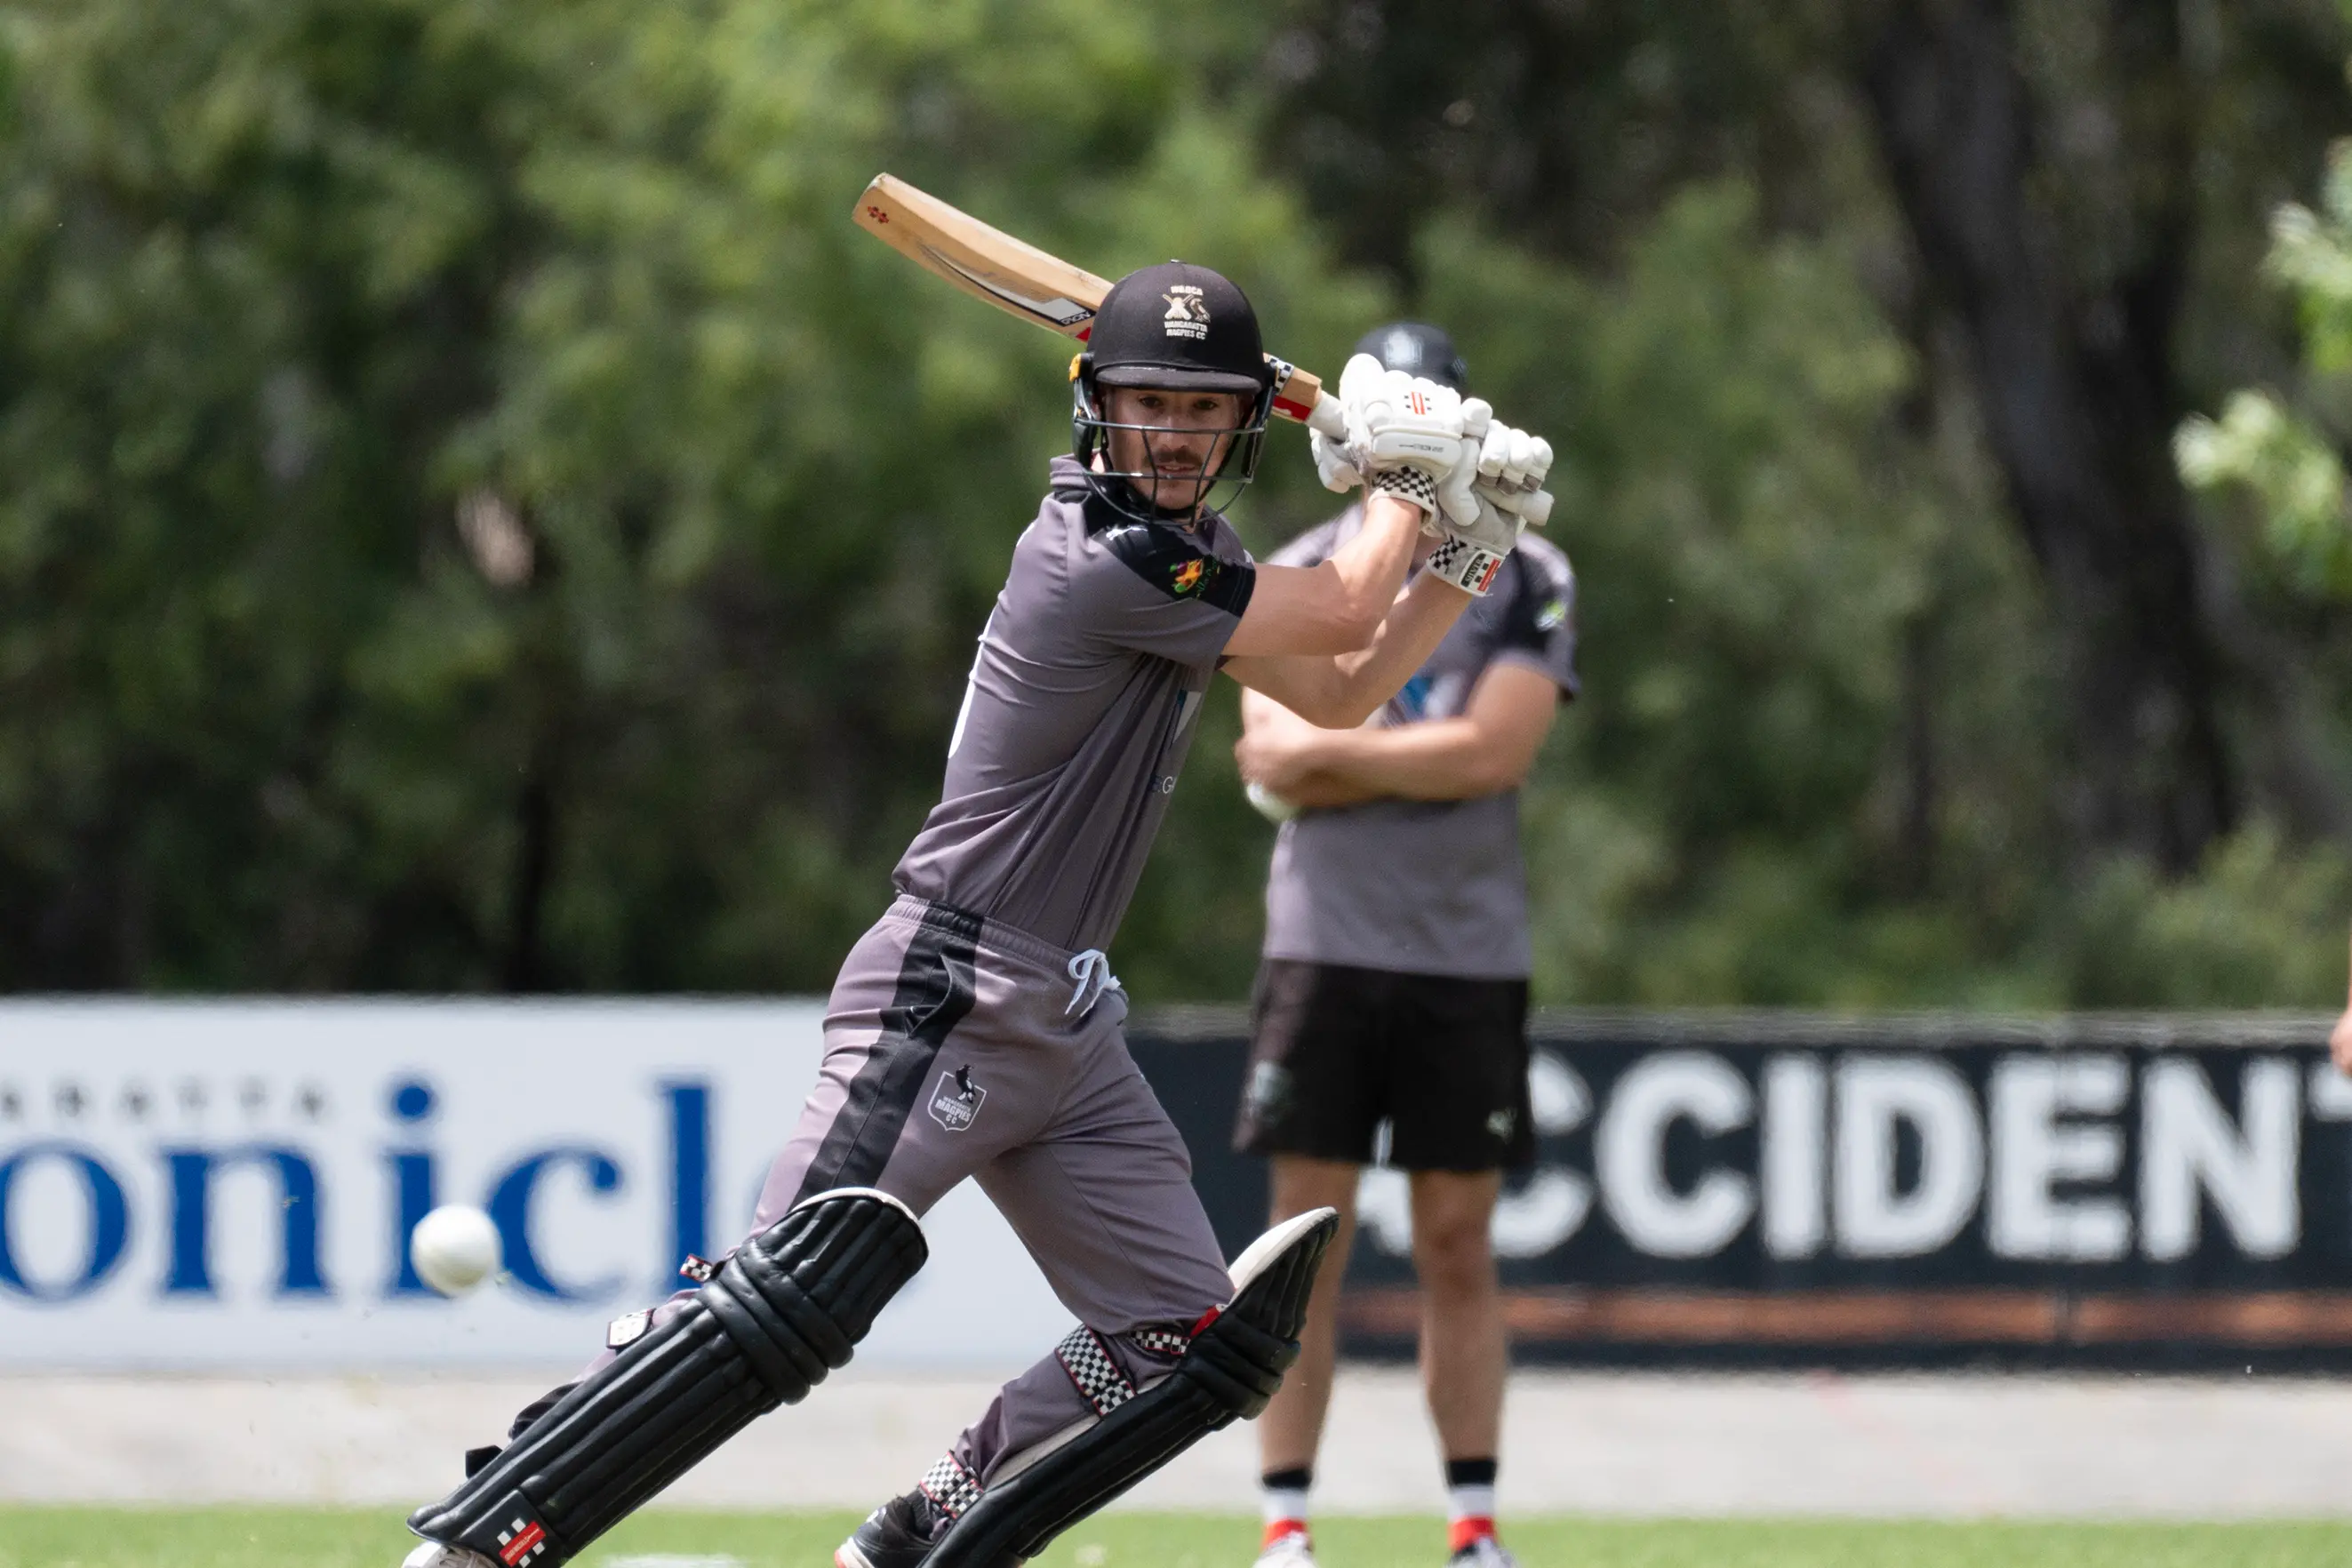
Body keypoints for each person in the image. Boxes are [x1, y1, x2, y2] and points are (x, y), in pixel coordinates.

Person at [396, 267, 1553, 1568]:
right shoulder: (1099, 554)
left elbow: (1344, 692)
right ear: (1094, 412)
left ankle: (919, 1532)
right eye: (1145, 404)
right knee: (785, 1303)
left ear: (1238, 431)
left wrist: (1464, 546)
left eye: (1200, 410)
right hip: (949, 984)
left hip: (1062, 1019)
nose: (1170, 434)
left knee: (1188, 1346)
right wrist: (1411, 476)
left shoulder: (1200, 565)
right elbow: (1344, 604)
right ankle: (483, 1535)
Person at [1230, 324, 1577, 1568]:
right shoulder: (1298, 567)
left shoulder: (1522, 570)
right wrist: (1391, 763)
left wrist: (1338, 757)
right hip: (1323, 947)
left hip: (1465, 959)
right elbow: (1267, 758)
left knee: (1453, 1246)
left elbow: (1494, 752)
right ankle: (1285, 1529)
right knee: (1299, 1251)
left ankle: (1472, 1528)